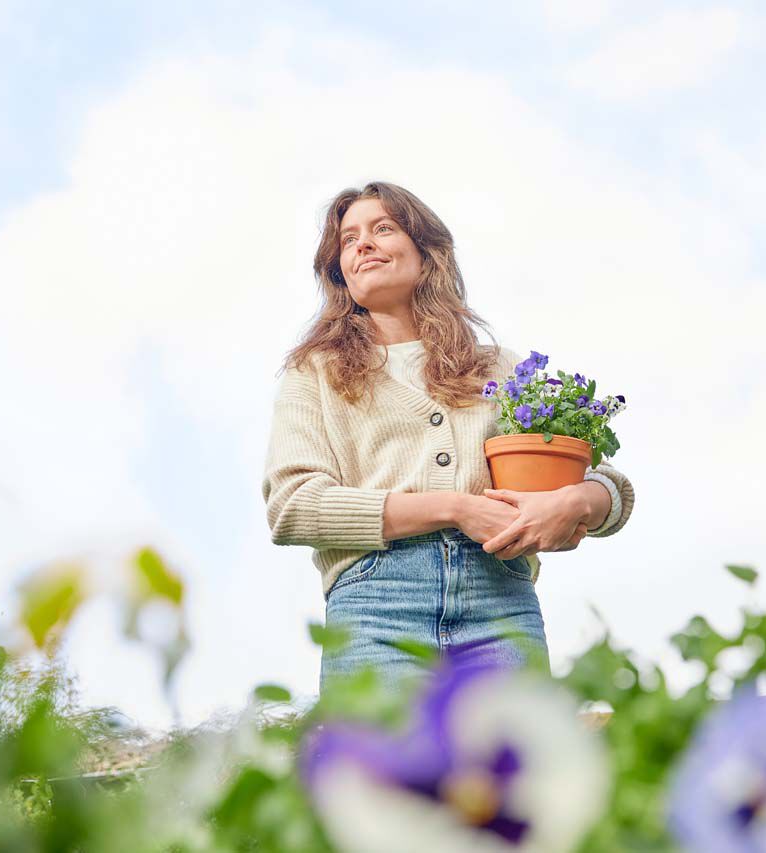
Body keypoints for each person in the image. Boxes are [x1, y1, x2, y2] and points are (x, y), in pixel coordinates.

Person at [261, 181, 635, 696]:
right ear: (339, 272)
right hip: (374, 607)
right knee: (380, 776)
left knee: (514, 775)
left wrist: (576, 500)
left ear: (425, 253)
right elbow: (292, 508)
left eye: (382, 228)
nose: (363, 244)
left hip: (499, 602)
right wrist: (455, 508)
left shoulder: (498, 369)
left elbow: (603, 485)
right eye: (348, 239)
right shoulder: (315, 374)